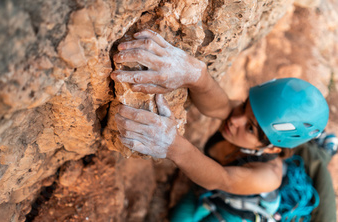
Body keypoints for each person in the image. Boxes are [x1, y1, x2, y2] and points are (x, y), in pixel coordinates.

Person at [111, 29, 335, 221]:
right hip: (213, 184)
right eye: (245, 106)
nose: (235, 119)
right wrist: (196, 75)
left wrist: (172, 145)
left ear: (273, 149)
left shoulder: (268, 176)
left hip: (240, 207)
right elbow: (221, 106)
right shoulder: (246, 117)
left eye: (250, 128)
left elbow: (221, 178)